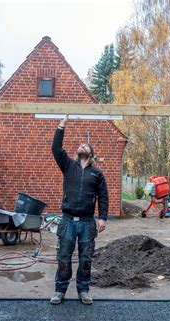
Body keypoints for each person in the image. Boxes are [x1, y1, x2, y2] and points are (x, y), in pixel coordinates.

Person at [50, 116, 108, 305]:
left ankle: (83, 290)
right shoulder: (68, 165)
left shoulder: (97, 173)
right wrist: (61, 126)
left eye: (86, 145)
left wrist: (103, 218)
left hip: (86, 222)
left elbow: (103, 197)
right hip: (67, 220)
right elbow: (56, 149)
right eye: (80, 145)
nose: (82, 146)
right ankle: (60, 290)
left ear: (91, 153)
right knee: (64, 257)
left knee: (85, 259)